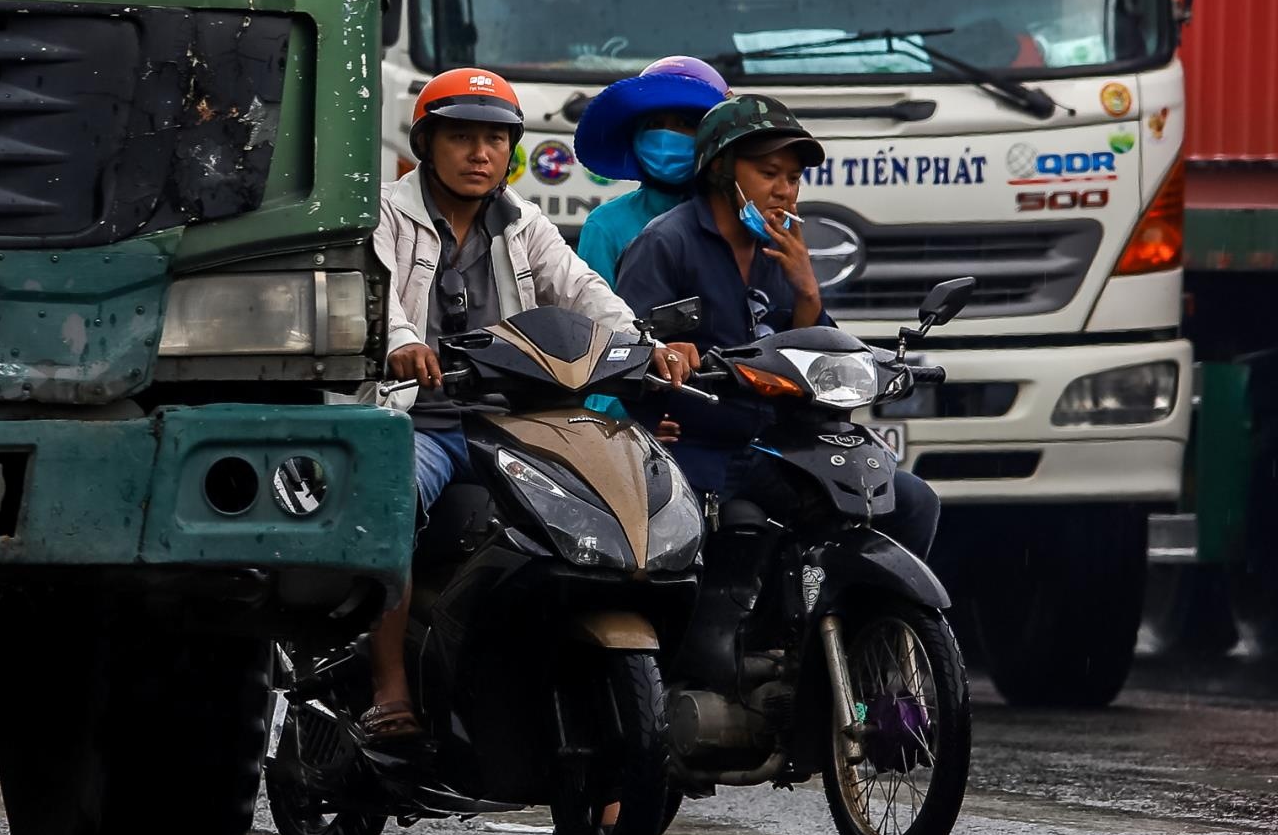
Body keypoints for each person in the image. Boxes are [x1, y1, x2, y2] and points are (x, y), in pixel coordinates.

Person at [366, 67, 697, 744]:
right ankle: (388, 685)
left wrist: (645, 342)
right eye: (460, 137)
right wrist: (402, 345)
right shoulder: (385, 212)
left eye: (493, 139)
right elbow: (376, 299)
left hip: (511, 418)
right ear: (427, 143)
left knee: (598, 506)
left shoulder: (524, 223)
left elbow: (583, 291)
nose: (479, 154)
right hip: (416, 417)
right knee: (389, 502)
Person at [613, 95, 939, 559]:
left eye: (793, 177)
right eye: (769, 174)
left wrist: (808, 291)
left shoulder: (785, 251)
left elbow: (813, 355)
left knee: (911, 503)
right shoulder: (666, 243)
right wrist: (666, 358)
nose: (785, 191)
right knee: (736, 553)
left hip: (784, 448)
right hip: (697, 448)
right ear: (721, 170)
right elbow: (626, 349)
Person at [574, 56, 728, 287]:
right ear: (634, 137)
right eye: (654, 125)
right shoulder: (605, 227)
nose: (666, 137)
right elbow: (594, 316)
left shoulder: (735, 218)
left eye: (684, 123)